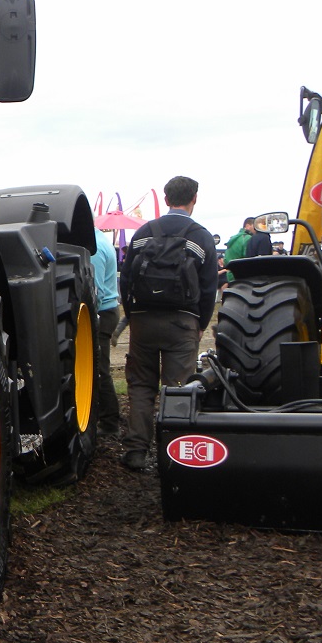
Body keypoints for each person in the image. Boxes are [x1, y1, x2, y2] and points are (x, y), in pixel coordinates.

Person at [117, 176, 218, 472]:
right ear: (194, 198)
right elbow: (209, 287)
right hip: (183, 322)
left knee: (140, 386)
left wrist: (133, 313)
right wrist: (200, 323)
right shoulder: (201, 237)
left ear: (165, 199)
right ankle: (173, 455)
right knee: (179, 389)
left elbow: (127, 277)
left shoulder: (145, 232)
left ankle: (136, 451)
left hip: (143, 320)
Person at [92, 228, 122, 436]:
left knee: (99, 369)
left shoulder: (94, 248)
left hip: (102, 312)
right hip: (108, 310)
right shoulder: (101, 239)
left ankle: (110, 423)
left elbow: (96, 291)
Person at [221, 218, 253, 284]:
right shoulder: (247, 238)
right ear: (247, 226)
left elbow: (225, 260)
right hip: (242, 275)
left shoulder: (233, 239)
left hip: (230, 274)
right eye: (254, 226)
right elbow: (248, 257)